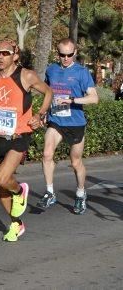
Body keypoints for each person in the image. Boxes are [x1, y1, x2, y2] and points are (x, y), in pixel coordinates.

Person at [0, 39, 52, 242]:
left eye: (5, 53)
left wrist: (40, 114)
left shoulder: (26, 76)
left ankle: (20, 190)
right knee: (1, 186)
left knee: (2, 178)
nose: (0, 56)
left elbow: (48, 92)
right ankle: (16, 224)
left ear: (15, 56)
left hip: (19, 136)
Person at [37, 38, 99, 214]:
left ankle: (80, 193)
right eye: (62, 55)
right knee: (47, 154)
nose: (65, 58)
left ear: (75, 53)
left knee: (75, 162)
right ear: (57, 53)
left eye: (69, 55)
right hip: (56, 120)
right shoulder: (51, 70)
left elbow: (94, 98)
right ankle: (49, 193)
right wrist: (43, 113)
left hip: (76, 123)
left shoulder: (82, 72)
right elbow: (48, 94)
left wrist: (72, 100)